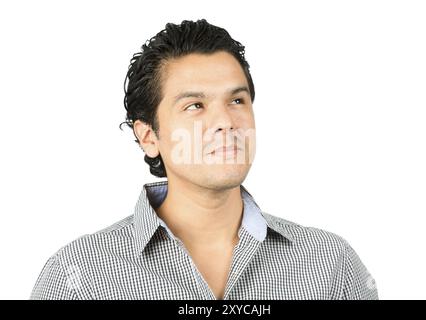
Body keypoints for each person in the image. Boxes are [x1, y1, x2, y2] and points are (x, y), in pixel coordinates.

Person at [30, 19, 378, 300]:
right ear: (148, 135)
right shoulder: (78, 278)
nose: (226, 121)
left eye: (237, 101)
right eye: (195, 105)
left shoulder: (331, 264)